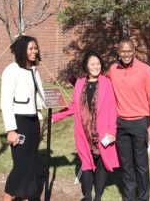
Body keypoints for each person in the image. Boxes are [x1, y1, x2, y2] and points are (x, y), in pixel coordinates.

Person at [52, 50, 119, 201]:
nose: (96, 66)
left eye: (98, 63)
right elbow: (73, 107)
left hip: (102, 133)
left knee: (102, 163)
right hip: (83, 132)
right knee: (86, 163)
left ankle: (98, 197)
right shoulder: (80, 84)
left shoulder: (106, 83)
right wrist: (54, 117)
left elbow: (112, 108)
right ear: (86, 66)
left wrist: (112, 131)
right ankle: (88, 195)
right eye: (92, 64)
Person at [108, 39, 150, 201]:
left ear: (134, 51)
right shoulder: (113, 69)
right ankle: (129, 197)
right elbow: (102, 84)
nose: (126, 54)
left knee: (141, 166)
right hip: (121, 124)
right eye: (123, 51)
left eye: (129, 50)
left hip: (140, 123)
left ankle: (143, 198)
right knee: (127, 166)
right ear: (118, 52)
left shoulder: (145, 70)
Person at [0, 35, 46, 201]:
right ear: (22, 51)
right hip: (20, 123)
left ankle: (25, 197)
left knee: (31, 165)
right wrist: (11, 130)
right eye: (31, 49)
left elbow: (39, 95)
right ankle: (6, 197)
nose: (34, 51)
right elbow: (5, 102)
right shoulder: (11, 70)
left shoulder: (34, 70)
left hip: (34, 122)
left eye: (35, 48)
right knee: (21, 166)